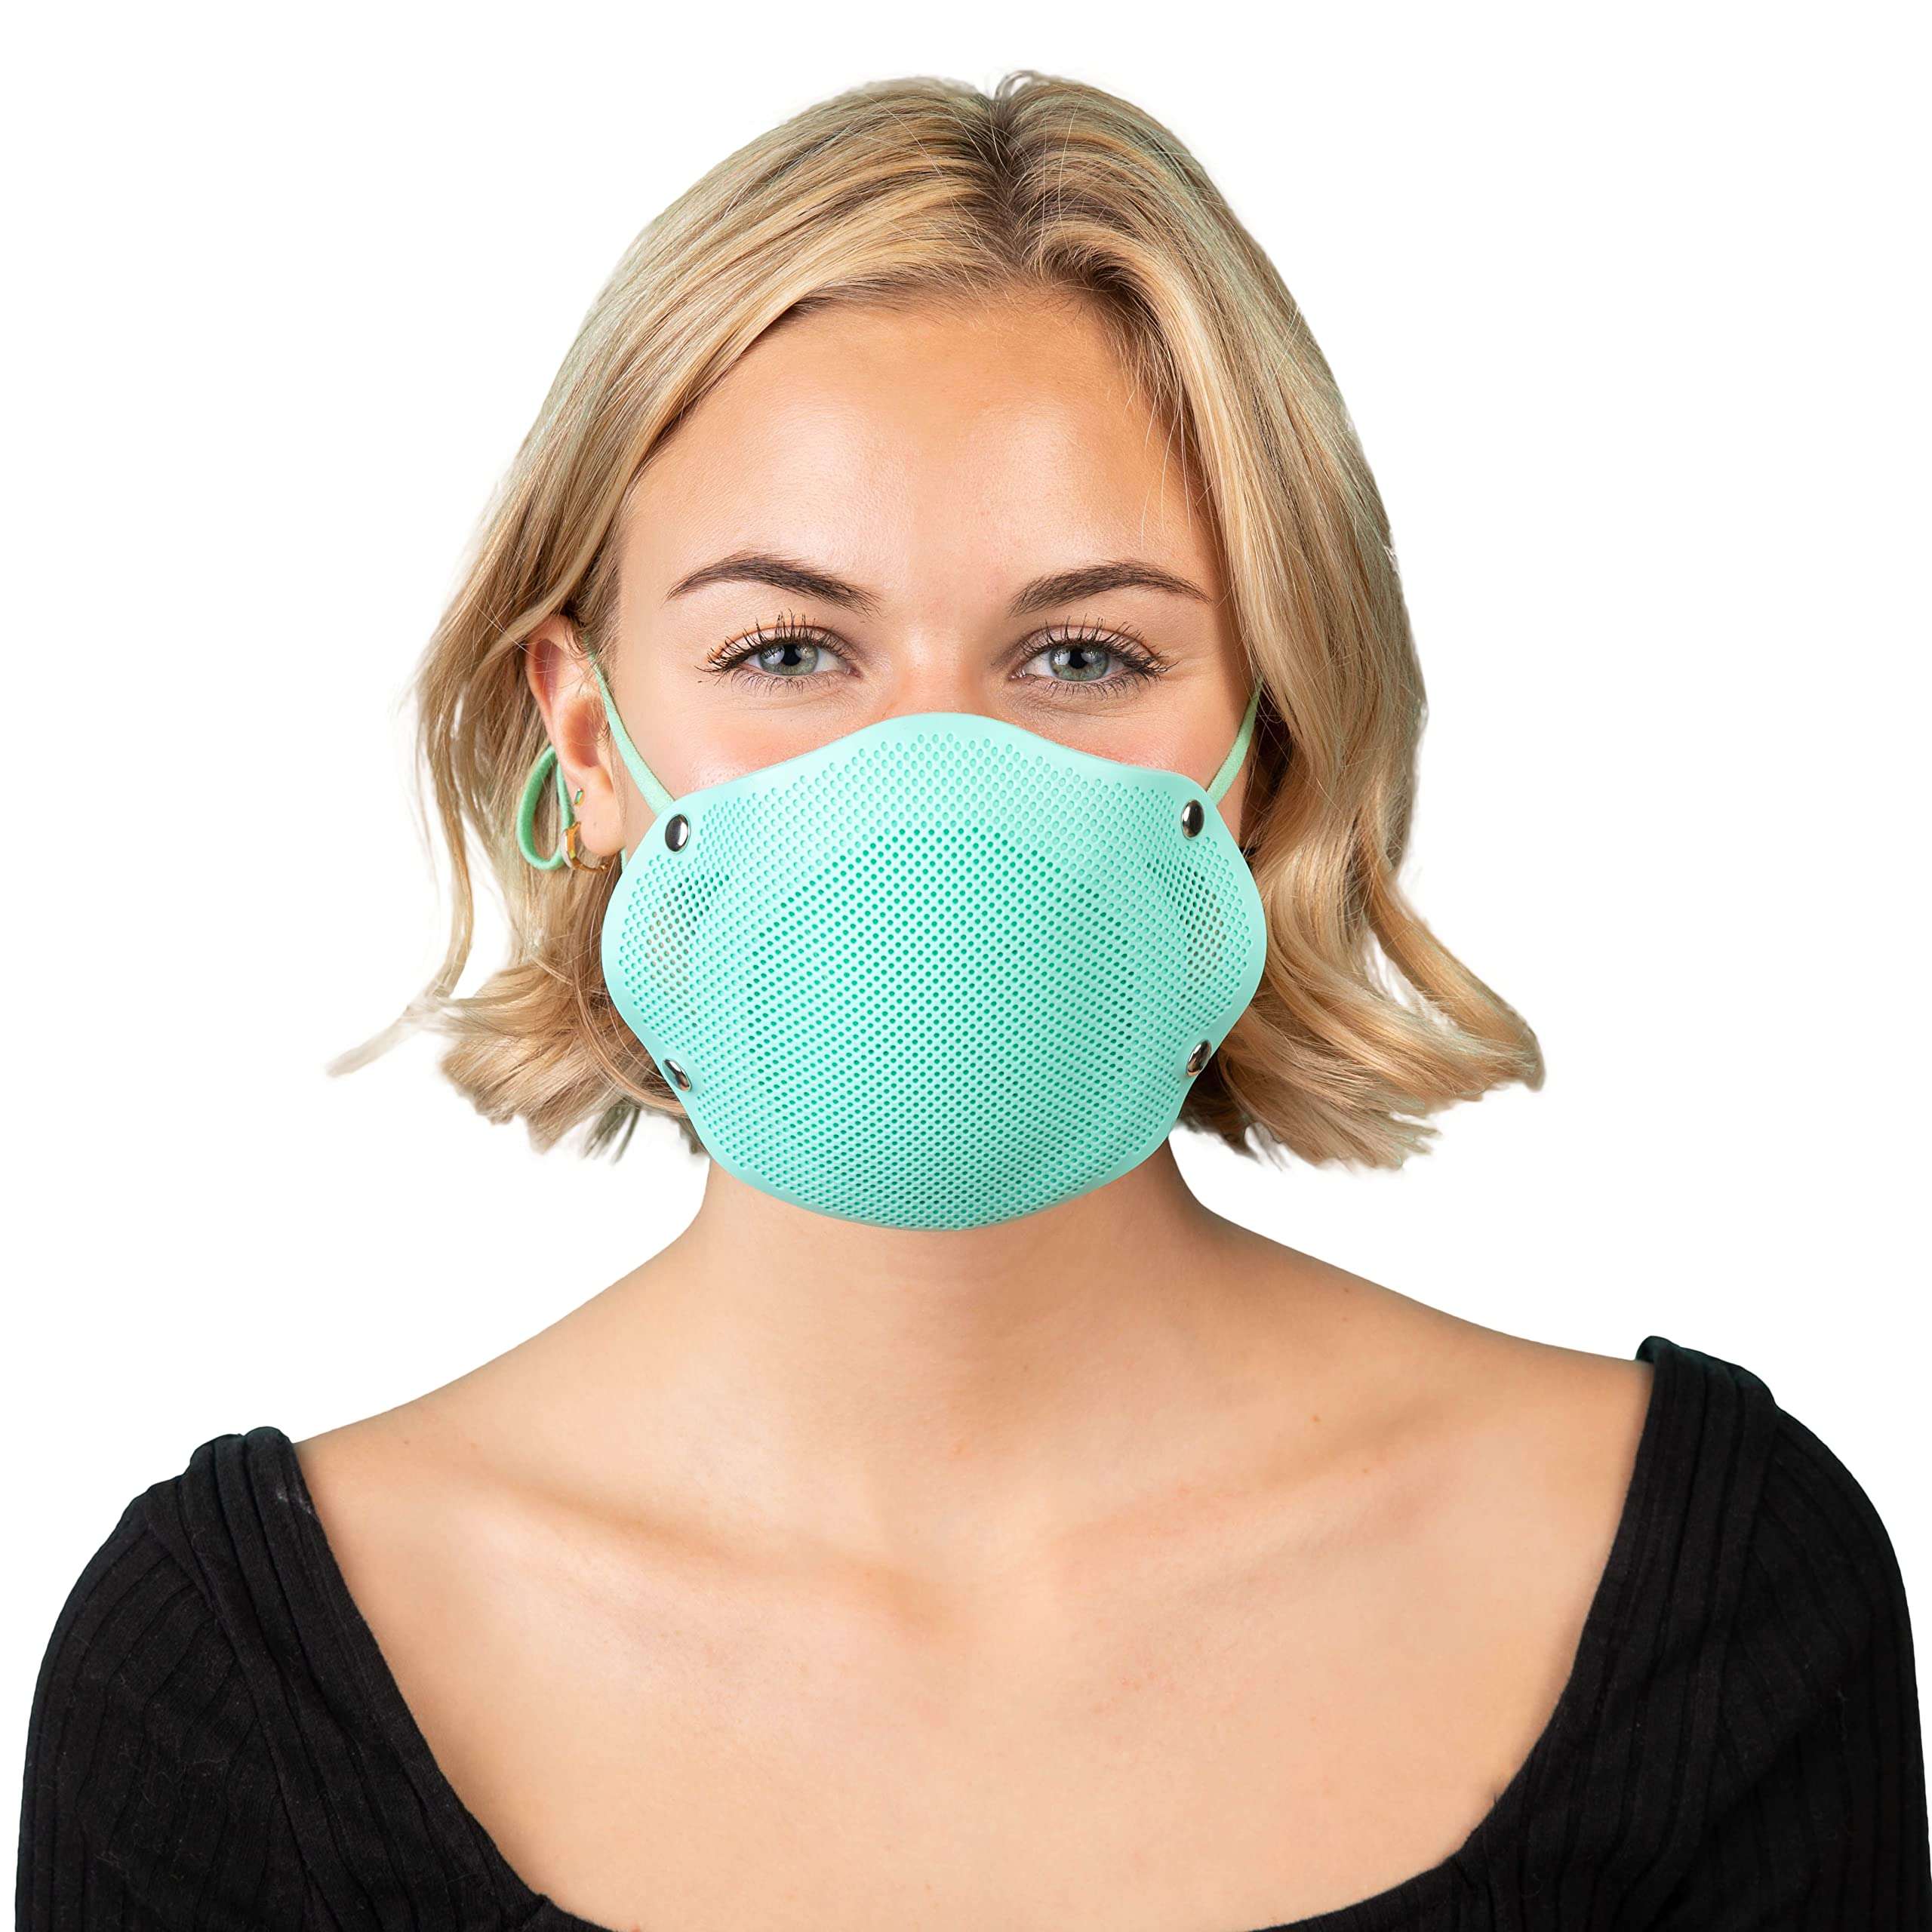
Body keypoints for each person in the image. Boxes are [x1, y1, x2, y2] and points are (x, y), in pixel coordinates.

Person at [17, 69, 1930, 1932]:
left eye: (1080, 653)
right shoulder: (227, 1678)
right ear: (586, 739)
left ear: (1264, 749)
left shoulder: (1707, 1594)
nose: (927, 796)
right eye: (787, 649)